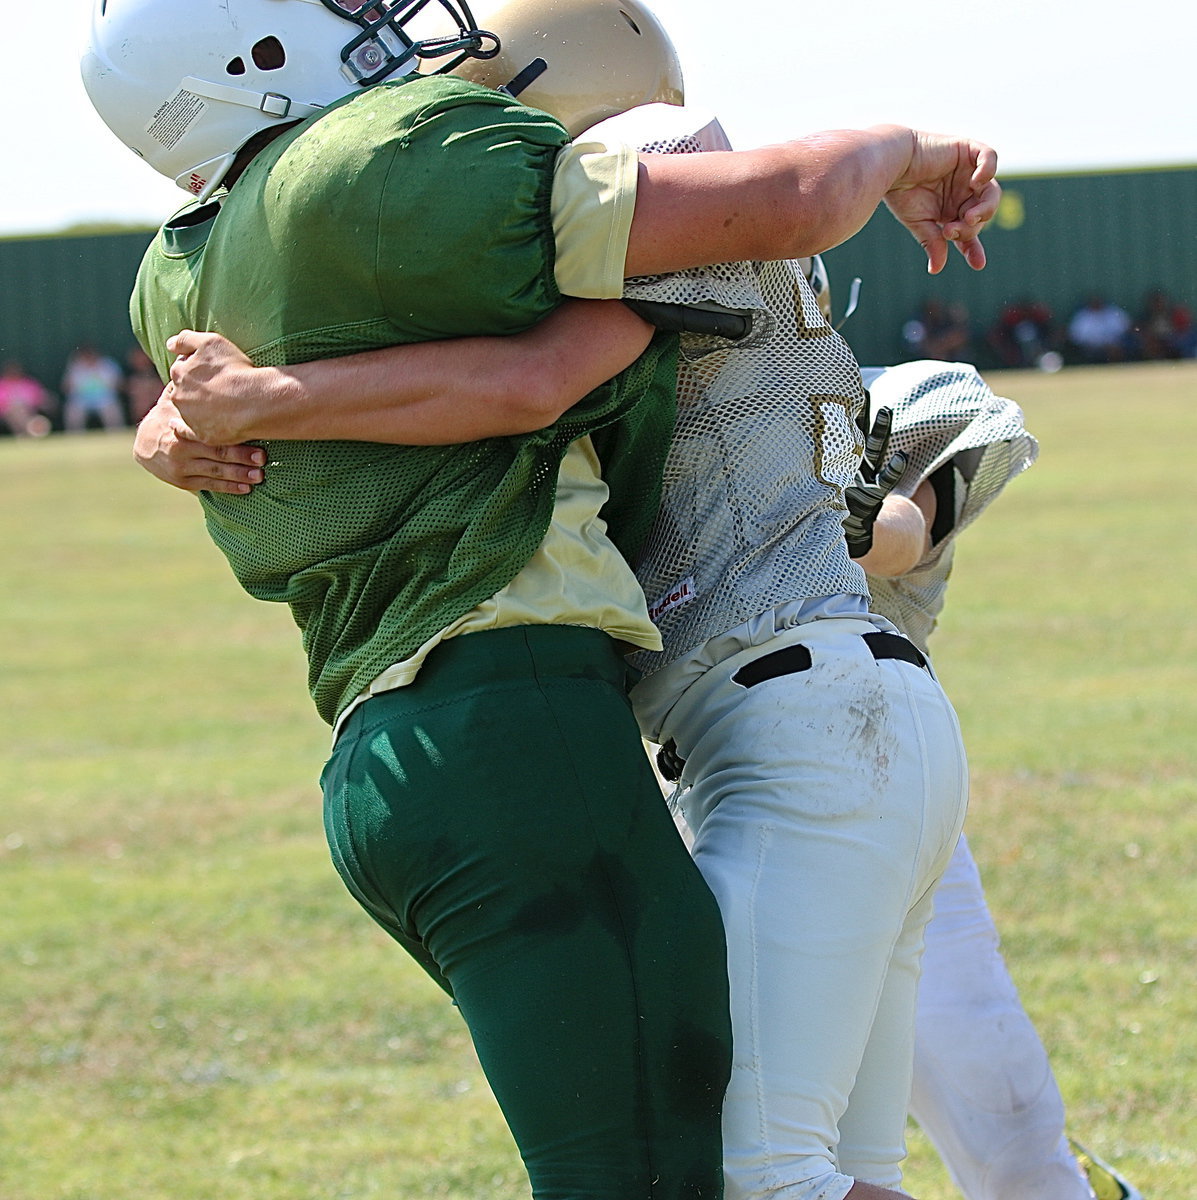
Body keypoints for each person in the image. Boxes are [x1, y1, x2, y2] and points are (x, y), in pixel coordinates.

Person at [131, 59, 1000, 1191]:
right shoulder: (635, 228)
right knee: (833, 1171)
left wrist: (258, 403)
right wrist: (172, 427)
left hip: (793, 727)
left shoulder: (640, 213)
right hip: (854, 713)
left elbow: (528, 382)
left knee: (755, 1177)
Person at [856, 358, 1141, 1200]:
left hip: (893, 798)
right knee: (795, 1143)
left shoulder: (879, 425)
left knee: (1002, 1102)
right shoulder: (655, 430)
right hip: (710, 806)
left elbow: (903, 524)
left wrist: (826, 509)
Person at [61, 343, 125, 432]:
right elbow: (66, 387)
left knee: (111, 409)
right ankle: (75, 437)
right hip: (81, 399)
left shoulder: (107, 365)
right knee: (74, 410)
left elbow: (119, 385)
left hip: (104, 398)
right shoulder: (75, 367)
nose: (88, 357)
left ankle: (116, 433)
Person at [1066, 295, 1135, 364]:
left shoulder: (1112, 312)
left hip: (1117, 344)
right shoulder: (1082, 317)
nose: (1096, 304)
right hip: (1092, 348)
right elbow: (1076, 337)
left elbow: (1127, 327)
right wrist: (1101, 345)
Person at [901, 297, 972, 362]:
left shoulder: (942, 324)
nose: (935, 312)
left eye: (937, 309)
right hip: (919, 361)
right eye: (932, 309)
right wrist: (939, 346)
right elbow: (919, 347)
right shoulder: (916, 325)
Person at [0, 360, 53, 437]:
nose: (14, 373)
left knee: (20, 409)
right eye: (11, 371)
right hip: (8, 413)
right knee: (16, 410)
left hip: (28, 410)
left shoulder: (28, 382)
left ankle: (27, 431)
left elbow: (39, 396)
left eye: (16, 370)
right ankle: (32, 428)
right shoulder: (2, 384)